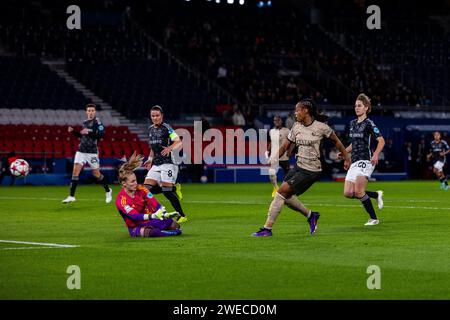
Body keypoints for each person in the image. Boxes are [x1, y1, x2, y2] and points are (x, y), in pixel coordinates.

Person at [252, 99, 351, 237]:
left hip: (311, 170)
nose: (295, 112)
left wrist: (346, 158)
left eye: (297, 110)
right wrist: (273, 158)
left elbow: (337, 142)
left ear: (306, 111)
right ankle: (311, 215)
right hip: (298, 167)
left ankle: (267, 229)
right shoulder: (296, 127)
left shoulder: (321, 127)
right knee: (286, 198)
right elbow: (284, 146)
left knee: (280, 193)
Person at [339, 94, 386, 226]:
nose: (356, 108)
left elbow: (381, 141)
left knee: (359, 191)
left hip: (365, 161)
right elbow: (353, 144)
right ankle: (376, 195)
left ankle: (374, 218)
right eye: (355, 106)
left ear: (366, 108)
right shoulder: (352, 124)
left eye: (359, 106)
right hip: (354, 161)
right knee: (348, 193)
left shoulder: (369, 124)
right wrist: (343, 154)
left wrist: (376, 154)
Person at [116, 152, 181, 238]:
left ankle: (164, 231)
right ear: (124, 183)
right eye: (132, 181)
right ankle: (167, 233)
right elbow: (134, 216)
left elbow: (155, 203)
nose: (135, 183)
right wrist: (152, 216)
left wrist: (164, 213)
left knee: (175, 225)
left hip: (149, 220)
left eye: (135, 180)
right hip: (135, 226)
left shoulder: (142, 189)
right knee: (151, 232)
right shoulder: (121, 200)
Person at [143, 105, 187, 223]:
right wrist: (150, 159)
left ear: (162, 116)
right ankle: (173, 187)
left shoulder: (167, 128)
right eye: (153, 116)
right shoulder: (150, 129)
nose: (155, 118)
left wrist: (169, 148)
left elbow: (178, 141)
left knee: (167, 192)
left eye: (157, 115)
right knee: (145, 190)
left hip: (168, 163)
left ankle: (182, 215)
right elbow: (153, 147)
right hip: (156, 164)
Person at [62, 104, 112, 204]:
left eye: (92, 110)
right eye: (89, 110)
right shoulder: (84, 122)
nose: (90, 112)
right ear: (86, 112)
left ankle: (108, 191)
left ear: (95, 112)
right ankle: (72, 196)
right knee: (75, 172)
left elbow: (101, 136)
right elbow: (82, 136)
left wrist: (88, 133)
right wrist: (73, 132)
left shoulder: (98, 122)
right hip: (81, 151)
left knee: (96, 174)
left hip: (92, 152)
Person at [266, 115, 291, 197]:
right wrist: (267, 151)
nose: (276, 122)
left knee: (287, 173)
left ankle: (285, 189)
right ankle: (275, 188)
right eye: (274, 120)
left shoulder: (287, 131)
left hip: (284, 156)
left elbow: (291, 142)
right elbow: (271, 142)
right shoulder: (271, 131)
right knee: (271, 172)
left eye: (277, 120)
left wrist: (290, 151)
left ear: (281, 121)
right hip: (274, 155)